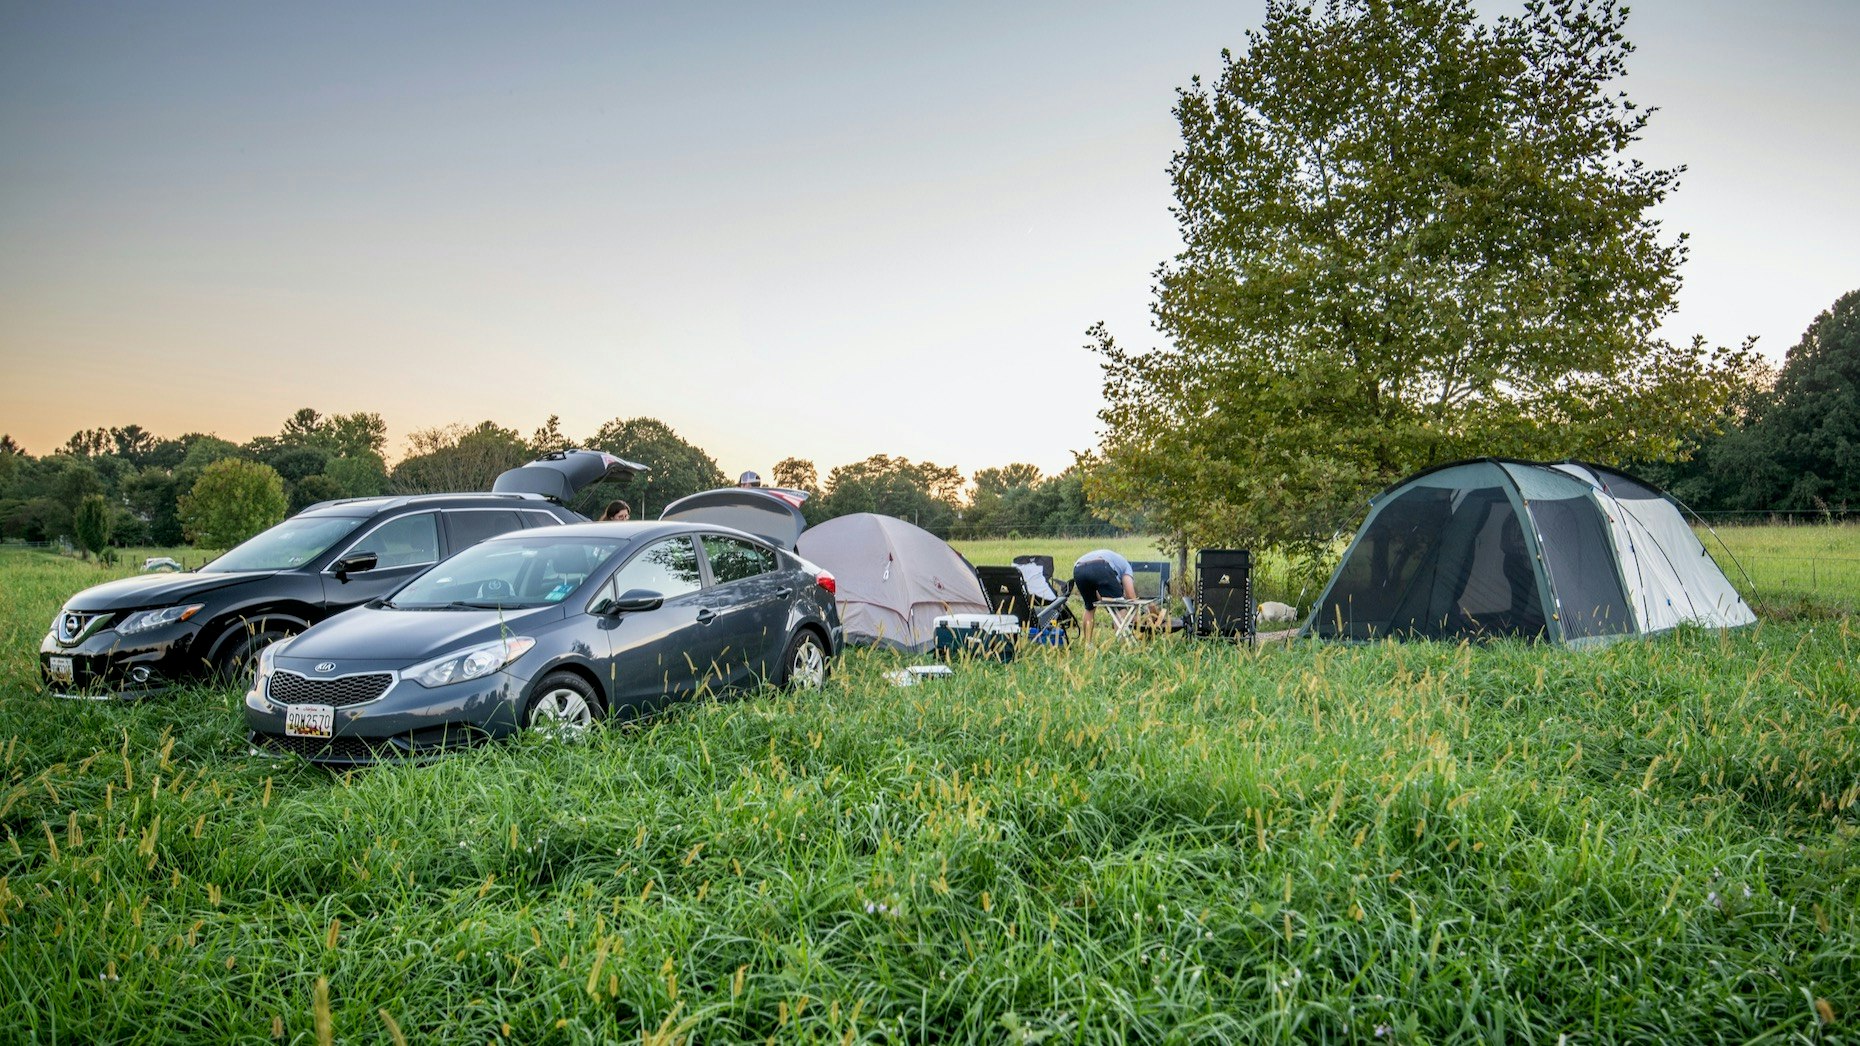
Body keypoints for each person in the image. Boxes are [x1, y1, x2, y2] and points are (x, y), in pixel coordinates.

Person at [1071, 549, 1137, 640]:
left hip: (1078, 569)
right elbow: (1130, 595)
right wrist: (1136, 614)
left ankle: (1088, 644)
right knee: (1120, 607)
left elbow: (1100, 595)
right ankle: (1121, 643)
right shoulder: (1127, 567)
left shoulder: (1115, 561)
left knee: (1089, 607)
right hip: (1100, 566)